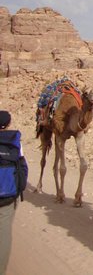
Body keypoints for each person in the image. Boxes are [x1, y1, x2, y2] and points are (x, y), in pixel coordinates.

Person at [0, 110, 27, 275]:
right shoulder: (14, 141)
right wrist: (18, 190)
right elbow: (23, 167)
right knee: (4, 234)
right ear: (8, 124)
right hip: (8, 197)